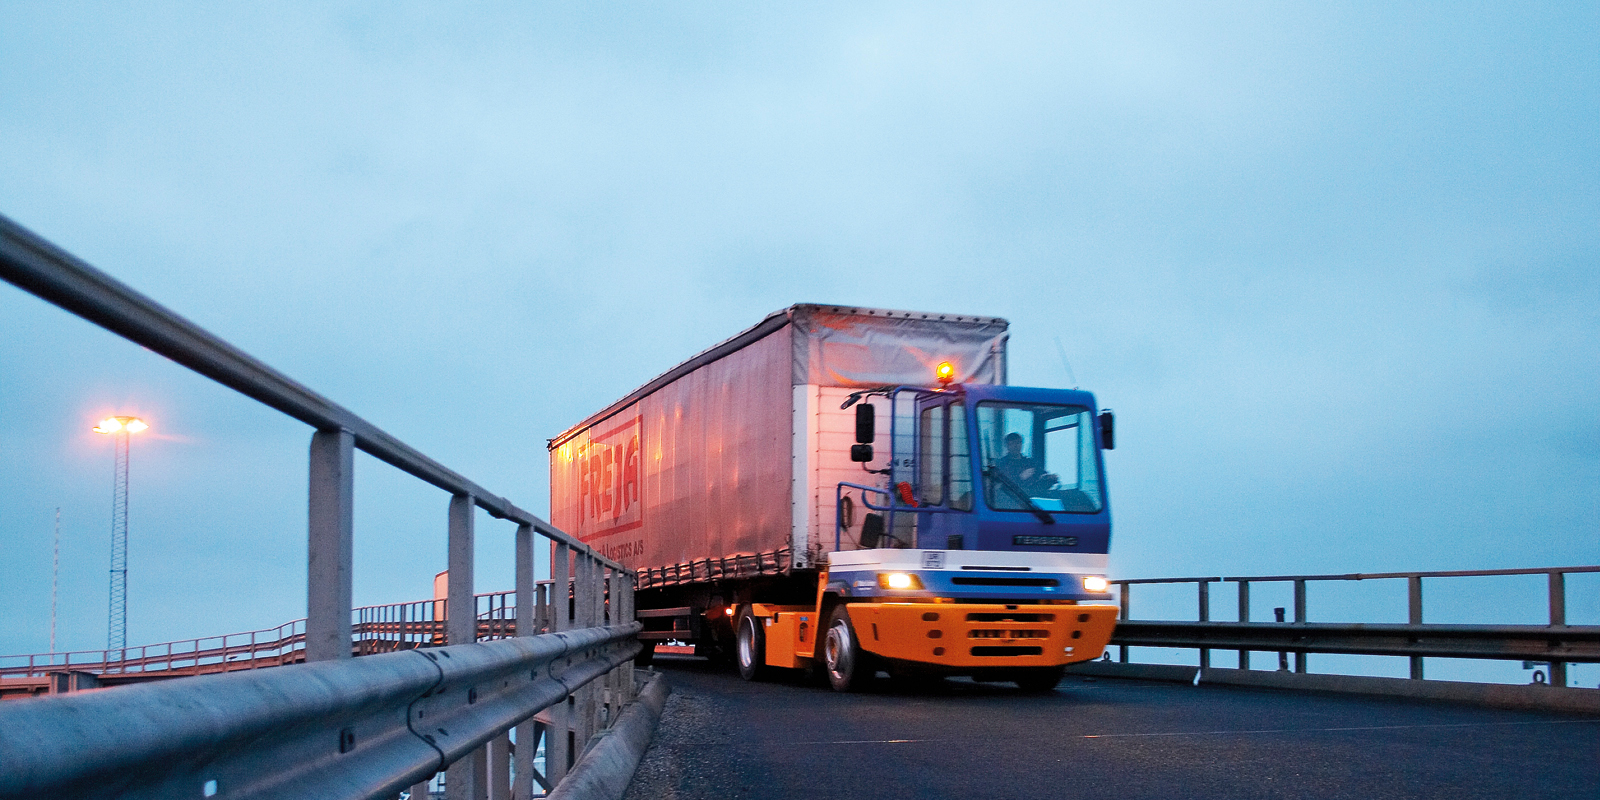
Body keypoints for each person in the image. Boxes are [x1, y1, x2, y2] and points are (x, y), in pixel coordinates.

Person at [994, 432, 1057, 498]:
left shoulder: (1030, 462)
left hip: (1032, 500)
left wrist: (1048, 477)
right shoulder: (1001, 464)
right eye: (1012, 443)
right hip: (1012, 500)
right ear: (1006, 445)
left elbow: (1042, 474)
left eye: (1018, 443)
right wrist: (1020, 477)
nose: (1016, 446)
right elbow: (1003, 486)